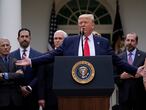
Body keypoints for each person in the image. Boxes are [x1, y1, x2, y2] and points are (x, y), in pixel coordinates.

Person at [16, 14, 144, 81]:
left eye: (85, 22)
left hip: (97, 83)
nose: (82, 25)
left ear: (92, 25)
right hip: (74, 82)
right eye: (80, 23)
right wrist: (32, 61)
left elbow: (117, 60)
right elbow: (52, 55)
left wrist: (135, 70)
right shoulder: (69, 41)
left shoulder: (102, 42)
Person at [10, 28, 45, 110]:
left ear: (30, 38)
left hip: (33, 95)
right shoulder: (11, 56)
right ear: (18, 39)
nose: (24, 38)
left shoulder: (39, 55)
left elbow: (40, 75)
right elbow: (10, 74)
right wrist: (20, 88)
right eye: (22, 36)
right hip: (16, 95)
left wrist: (29, 87)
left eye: (26, 36)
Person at [115, 32, 146, 110]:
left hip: (140, 95)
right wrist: (121, 77)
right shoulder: (118, 57)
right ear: (125, 41)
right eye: (128, 40)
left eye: (132, 40)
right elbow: (114, 76)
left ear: (136, 42)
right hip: (124, 95)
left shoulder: (144, 55)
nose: (130, 43)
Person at [0, 38, 24, 110]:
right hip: (1, 100)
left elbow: (20, 75)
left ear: (10, 47)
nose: (5, 47)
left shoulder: (15, 60)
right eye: (3, 45)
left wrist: (4, 76)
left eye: (7, 45)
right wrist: (14, 75)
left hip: (16, 100)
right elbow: (17, 75)